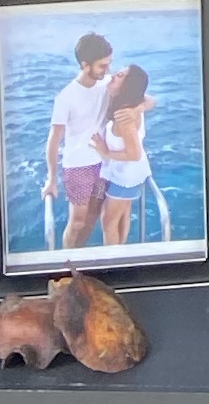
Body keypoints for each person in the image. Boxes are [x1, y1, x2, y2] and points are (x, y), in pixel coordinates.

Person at [41, 29, 118, 253]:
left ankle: (80, 257)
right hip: (77, 166)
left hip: (103, 163)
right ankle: (68, 262)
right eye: (102, 66)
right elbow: (54, 140)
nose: (108, 70)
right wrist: (52, 179)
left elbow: (144, 97)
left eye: (109, 64)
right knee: (77, 222)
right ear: (85, 65)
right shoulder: (66, 97)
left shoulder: (107, 84)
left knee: (93, 216)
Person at [94, 62, 155, 247]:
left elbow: (134, 154)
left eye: (120, 76)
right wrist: (139, 109)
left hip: (126, 176)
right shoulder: (132, 105)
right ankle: (121, 251)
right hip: (129, 173)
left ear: (127, 87)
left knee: (108, 220)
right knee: (122, 215)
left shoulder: (124, 117)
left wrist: (106, 153)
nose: (114, 75)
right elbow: (151, 100)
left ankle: (112, 259)